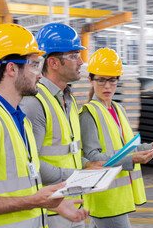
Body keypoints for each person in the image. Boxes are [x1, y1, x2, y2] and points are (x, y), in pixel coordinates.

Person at [0, 23, 89, 228]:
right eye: (34, 65)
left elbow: (19, 187)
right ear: (11, 69)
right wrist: (33, 201)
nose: (39, 74)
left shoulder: (19, 120)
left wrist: (55, 204)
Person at [20, 23, 104, 228]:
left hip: (71, 202)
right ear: (53, 63)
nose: (81, 62)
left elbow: (67, 150)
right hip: (51, 210)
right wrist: (77, 176)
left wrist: (85, 164)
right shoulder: (35, 103)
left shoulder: (69, 99)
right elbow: (30, 164)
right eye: (74, 55)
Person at [79, 48, 153, 228]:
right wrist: (132, 159)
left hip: (119, 195)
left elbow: (128, 148)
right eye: (101, 80)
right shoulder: (88, 114)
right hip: (106, 197)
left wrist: (151, 147)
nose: (107, 86)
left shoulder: (119, 110)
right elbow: (92, 159)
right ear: (91, 80)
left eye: (112, 80)